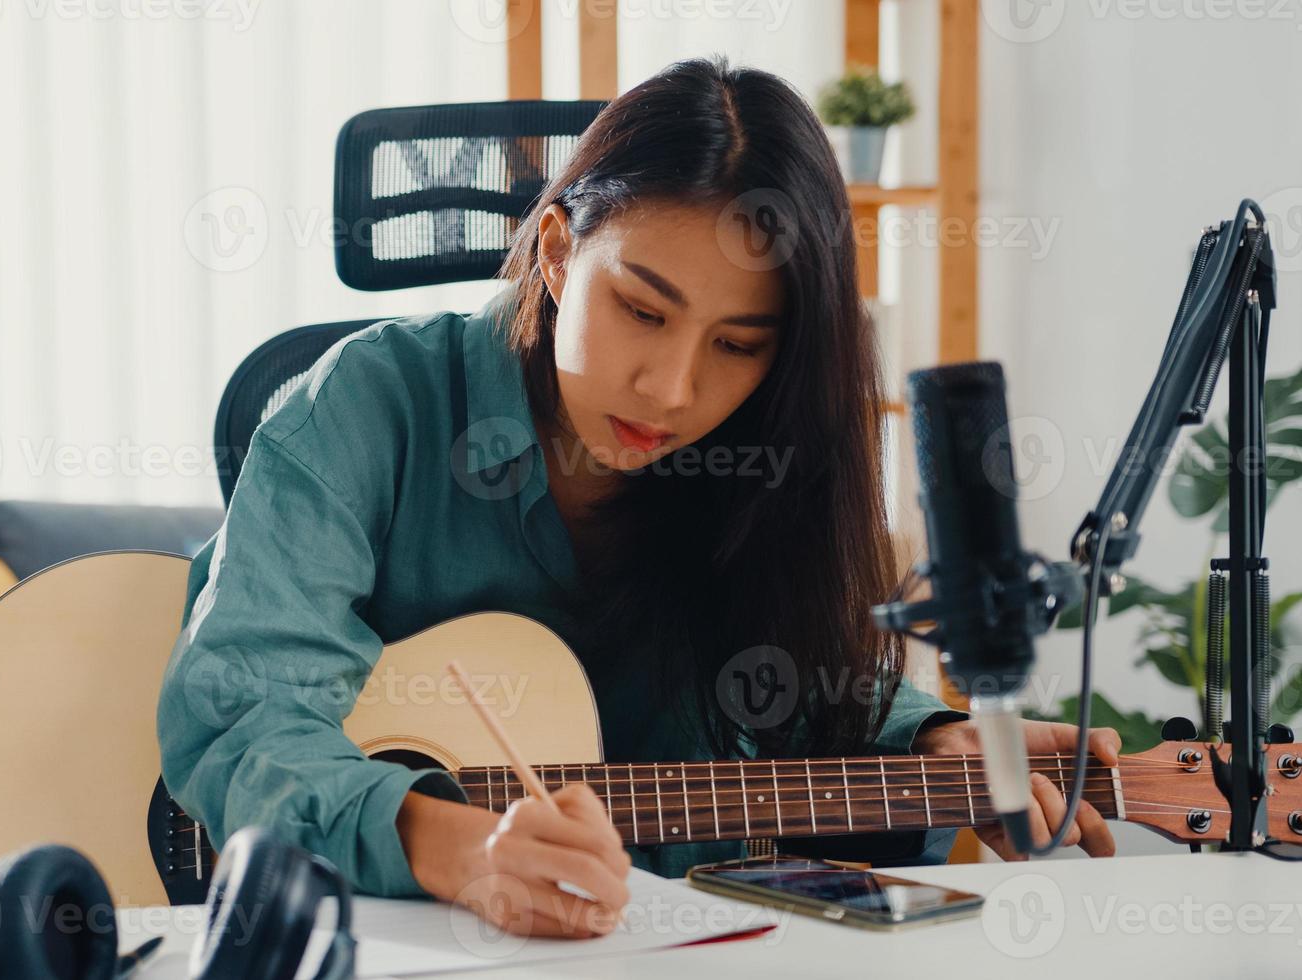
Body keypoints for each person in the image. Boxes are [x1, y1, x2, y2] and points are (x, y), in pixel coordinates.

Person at [158, 54, 1121, 940]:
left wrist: (928, 745)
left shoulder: (761, 466)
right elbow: (241, 712)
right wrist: (452, 848)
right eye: (642, 310)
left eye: (737, 345)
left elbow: (806, 688)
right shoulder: (367, 403)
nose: (671, 388)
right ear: (556, 251)